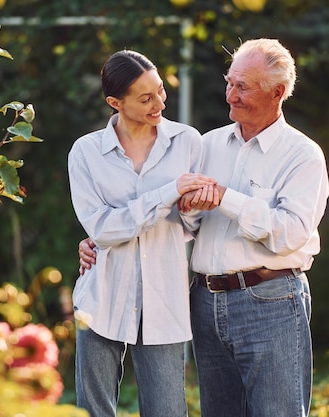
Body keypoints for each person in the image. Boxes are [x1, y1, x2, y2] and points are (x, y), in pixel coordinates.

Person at [79, 39, 329, 417]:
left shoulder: (302, 155)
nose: (230, 95)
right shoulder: (208, 145)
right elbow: (185, 223)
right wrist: (99, 238)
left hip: (271, 300)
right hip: (206, 301)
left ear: (277, 92)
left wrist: (225, 198)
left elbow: (291, 233)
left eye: (242, 86)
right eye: (229, 82)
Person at [68, 49, 217, 417]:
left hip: (164, 298)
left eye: (161, 91)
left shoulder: (188, 142)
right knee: (94, 412)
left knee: (167, 410)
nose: (159, 104)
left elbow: (193, 229)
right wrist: (168, 193)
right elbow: (102, 228)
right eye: (145, 98)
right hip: (102, 297)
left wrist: (192, 207)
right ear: (114, 102)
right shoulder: (86, 153)